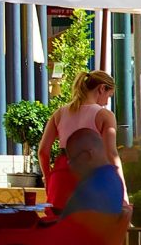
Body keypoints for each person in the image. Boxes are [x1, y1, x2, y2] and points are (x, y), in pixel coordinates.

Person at [38, 70, 128, 213]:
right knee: (90, 231)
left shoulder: (59, 113)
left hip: (61, 178)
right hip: (91, 178)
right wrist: (123, 192)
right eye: (109, 96)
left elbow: (43, 152)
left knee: (58, 230)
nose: (106, 102)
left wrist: (48, 178)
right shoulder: (105, 115)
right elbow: (112, 154)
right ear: (102, 88)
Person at [60, 128, 124, 218]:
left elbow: (66, 228)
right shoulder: (114, 178)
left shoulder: (88, 191)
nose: (71, 167)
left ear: (87, 156)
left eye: (72, 160)